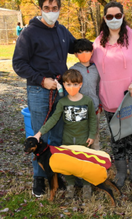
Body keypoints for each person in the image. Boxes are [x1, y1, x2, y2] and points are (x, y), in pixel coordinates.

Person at [12, 0, 76, 197]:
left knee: (57, 133)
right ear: (40, 9)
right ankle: (39, 177)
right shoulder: (29, 32)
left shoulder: (62, 31)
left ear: (59, 9)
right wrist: (41, 79)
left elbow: (78, 46)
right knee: (41, 134)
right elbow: (18, 63)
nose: (51, 12)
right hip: (40, 89)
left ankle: (55, 173)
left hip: (60, 88)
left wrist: (104, 43)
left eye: (55, 8)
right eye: (47, 8)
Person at [91, 1, 132, 189]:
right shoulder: (98, 42)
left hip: (130, 99)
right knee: (116, 138)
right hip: (109, 101)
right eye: (110, 16)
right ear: (104, 19)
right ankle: (119, 172)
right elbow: (93, 70)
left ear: (123, 16)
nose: (114, 19)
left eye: (118, 15)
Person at [34, 69, 97, 199]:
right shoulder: (62, 102)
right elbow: (53, 119)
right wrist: (40, 132)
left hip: (83, 139)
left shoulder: (87, 101)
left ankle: (86, 186)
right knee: (68, 163)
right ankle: (70, 186)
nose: (72, 87)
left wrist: (91, 135)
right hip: (67, 139)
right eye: (68, 84)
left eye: (75, 84)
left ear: (80, 84)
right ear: (63, 85)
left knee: (84, 162)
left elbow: (92, 119)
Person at [70, 38, 101, 150]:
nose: (84, 54)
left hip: (95, 108)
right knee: (80, 136)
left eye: (87, 51)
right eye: (80, 51)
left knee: (95, 135)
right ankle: (82, 161)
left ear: (92, 52)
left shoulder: (97, 69)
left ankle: (96, 159)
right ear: (75, 54)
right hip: (78, 109)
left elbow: (98, 87)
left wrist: (100, 103)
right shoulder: (73, 70)